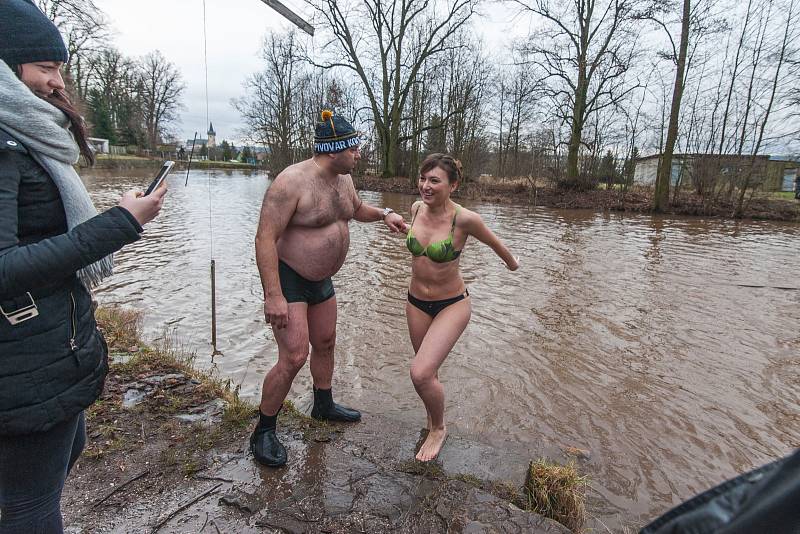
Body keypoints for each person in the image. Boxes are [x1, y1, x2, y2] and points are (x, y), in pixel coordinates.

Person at [0, 2, 167, 532]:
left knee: (67, 449)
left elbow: (40, 233)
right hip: (21, 363)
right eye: (46, 68)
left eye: (60, 69)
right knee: (31, 504)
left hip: (47, 347)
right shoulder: (4, 148)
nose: (57, 82)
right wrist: (121, 222)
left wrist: (115, 216)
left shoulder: (28, 138)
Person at [251, 110, 407, 467]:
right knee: (293, 356)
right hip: (290, 278)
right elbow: (264, 238)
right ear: (334, 150)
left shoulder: (343, 178)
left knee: (325, 343)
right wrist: (273, 294)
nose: (359, 154)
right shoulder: (290, 183)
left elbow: (353, 210)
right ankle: (264, 430)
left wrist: (384, 214)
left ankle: (323, 405)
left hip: (321, 279)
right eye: (354, 148)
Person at [405, 153, 518, 462]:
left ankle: (439, 428)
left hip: (451, 304)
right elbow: (417, 241)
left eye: (434, 181)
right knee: (429, 374)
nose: (425, 186)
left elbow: (496, 244)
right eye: (422, 179)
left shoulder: (465, 219)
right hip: (415, 303)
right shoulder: (416, 209)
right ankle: (430, 421)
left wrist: (513, 264)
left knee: (419, 372)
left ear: (453, 185)